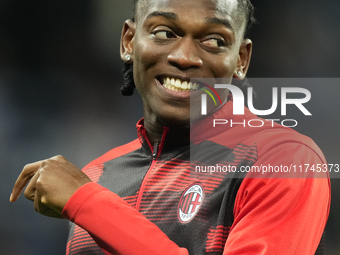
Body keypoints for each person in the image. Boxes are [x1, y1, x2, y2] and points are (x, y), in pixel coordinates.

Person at [10, 0, 330, 254]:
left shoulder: (282, 159)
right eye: (164, 32)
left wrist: (87, 203)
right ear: (129, 42)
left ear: (241, 60)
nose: (185, 56)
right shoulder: (97, 174)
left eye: (215, 40)